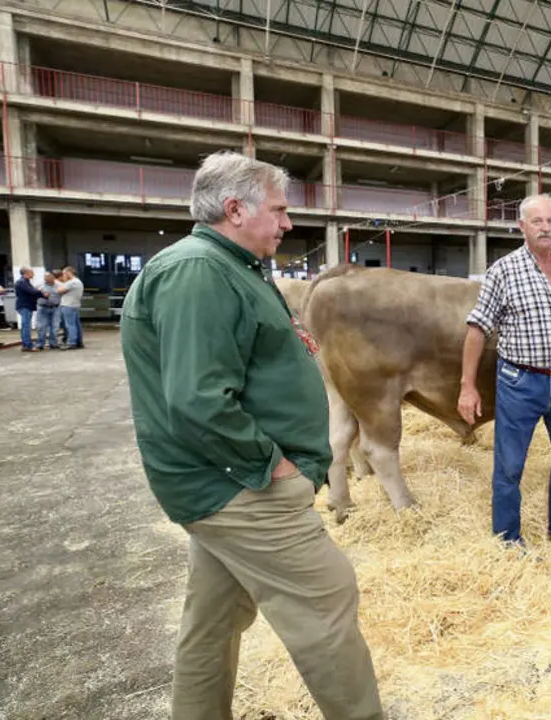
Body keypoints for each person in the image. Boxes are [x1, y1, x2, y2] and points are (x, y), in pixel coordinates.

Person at [120, 150, 383, 720]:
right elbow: (198, 399)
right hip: (241, 488)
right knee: (327, 598)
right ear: (235, 209)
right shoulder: (197, 273)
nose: (289, 223)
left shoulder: (230, 267)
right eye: (280, 210)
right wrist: (273, 466)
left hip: (220, 486)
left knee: (215, 615)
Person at [458, 192, 551, 551]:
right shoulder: (504, 271)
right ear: (522, 227)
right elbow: (478, 328)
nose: (545, 228)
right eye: (537, 221)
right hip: (519, 382)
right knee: (510, 466)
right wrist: (467, 385)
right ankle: (508, 539)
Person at [13, 267, 44, 352]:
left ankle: (26, 345)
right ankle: (28, 345)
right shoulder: (21, 282)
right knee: (26, 327)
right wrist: (40, 291)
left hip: (27, 306)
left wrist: (43, 295)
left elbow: (34, 293)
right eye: (32, 272)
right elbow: (32, 292)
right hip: (24, 306)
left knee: (25, 326)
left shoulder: (26, 282)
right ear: (26, 273)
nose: (33, 274)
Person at [54, 265, 85, 349]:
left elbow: (59, 291)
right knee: (76, 324)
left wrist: (61, 283)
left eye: (64, 274)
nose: (63, 276)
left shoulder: (71, 282)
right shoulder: (78, 282)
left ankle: (72, 342)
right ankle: (79, 341)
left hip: (68, 305)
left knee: (70, 325)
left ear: (68, 273)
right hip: (75, 305)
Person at [37, 271, 62, 349]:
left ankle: (53, 343)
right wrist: (40, 293)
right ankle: (40, 344)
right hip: (43, 308)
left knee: (55, 326)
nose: (46, 278)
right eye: (45, 277)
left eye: (48, 277)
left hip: (56, 308)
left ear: (53, 277)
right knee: (42, 326)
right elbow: (33, 294)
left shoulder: (60, 285)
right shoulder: (39, 285)